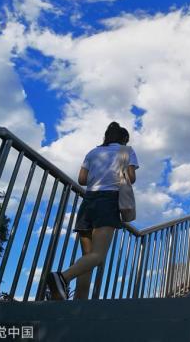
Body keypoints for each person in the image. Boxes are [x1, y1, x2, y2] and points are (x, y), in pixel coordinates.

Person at [46, 122, 139, 300]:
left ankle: (79, 302)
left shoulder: (93, 152)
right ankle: (62, 277)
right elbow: (131, 178)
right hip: (108, 201)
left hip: (88, 201)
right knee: (98, 256)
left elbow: (82, 179)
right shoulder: (126, 151)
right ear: (123, 139)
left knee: (87, 257)